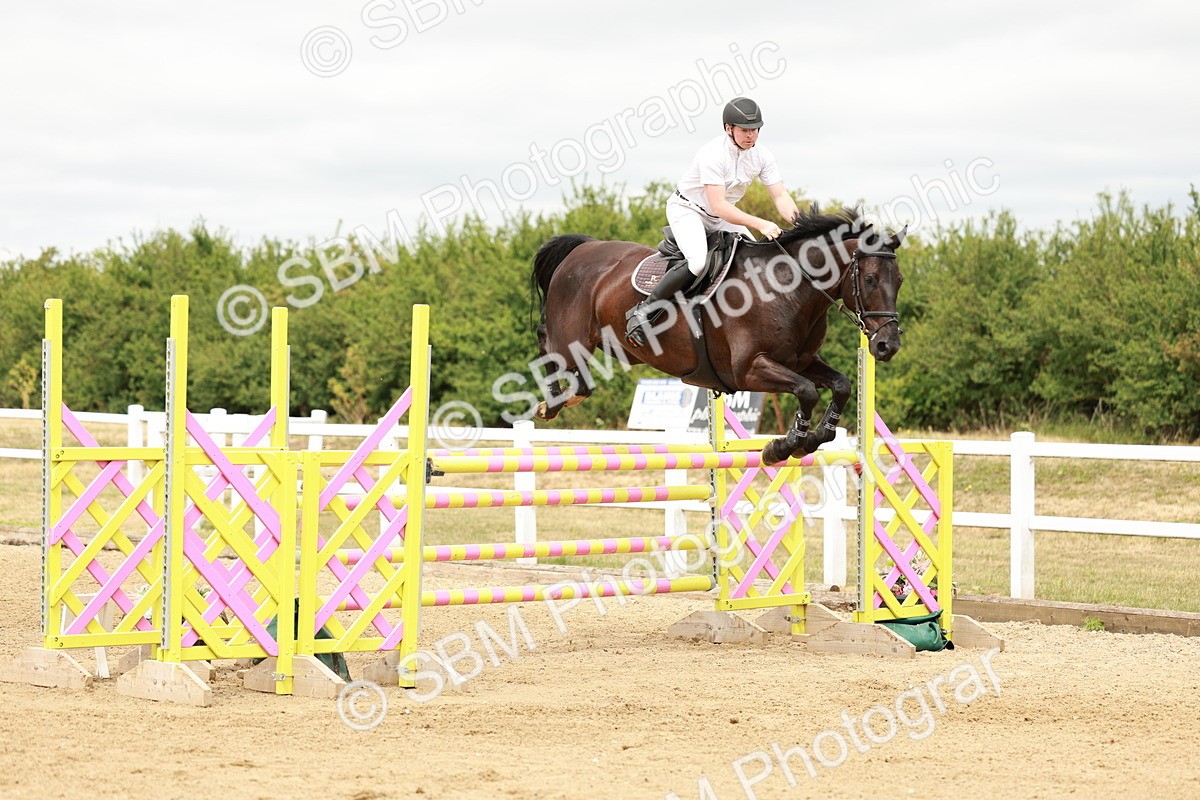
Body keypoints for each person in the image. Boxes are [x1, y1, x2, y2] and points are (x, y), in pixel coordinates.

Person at [626, 96, 801, 347]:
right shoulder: (712, 153)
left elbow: (780, 195)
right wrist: (760, 223)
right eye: (744, 130)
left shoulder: (763, 156)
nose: (750, 135)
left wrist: (800, 224)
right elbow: (718, 204)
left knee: (755, 260)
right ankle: (644, 311)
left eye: (754, 130)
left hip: (721, 215)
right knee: (697, 262)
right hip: (688, 210)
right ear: (728, 128)